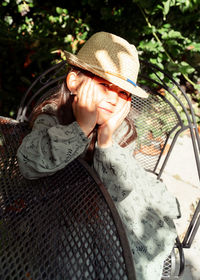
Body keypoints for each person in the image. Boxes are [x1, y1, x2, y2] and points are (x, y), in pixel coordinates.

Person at [17, 31, 180, 280]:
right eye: (105, 86)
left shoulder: (121, 129)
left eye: (123, 93)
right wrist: (81, 127)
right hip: (57, 219)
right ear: (75, 83)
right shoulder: (53, 116)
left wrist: (105, 141)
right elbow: (29, 165)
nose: (114, 99)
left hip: (104, 216)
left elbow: (122, 189)